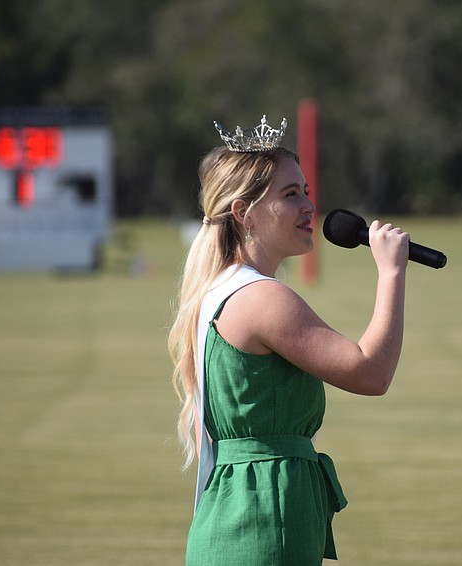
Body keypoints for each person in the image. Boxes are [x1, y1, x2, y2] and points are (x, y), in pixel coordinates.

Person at [168, 115, 409, 565]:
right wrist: (391, 273)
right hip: (263, 518)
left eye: (307, 192)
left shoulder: (222, 289)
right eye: (290, 195)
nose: (308, 207)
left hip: (248, 512)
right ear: (243, 212)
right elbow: (371, 373)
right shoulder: (261, 298)